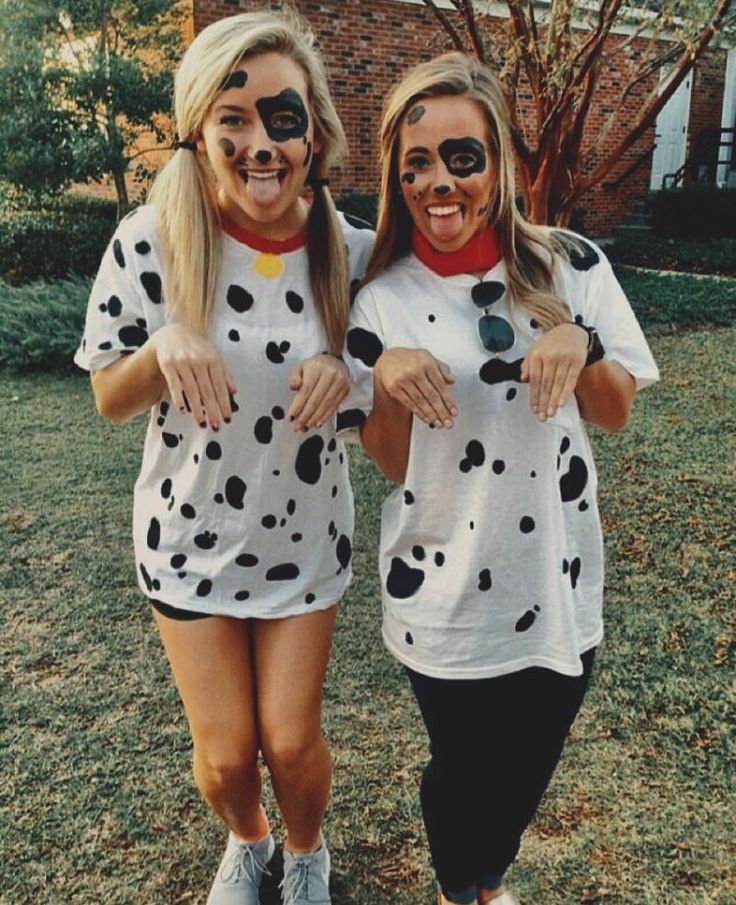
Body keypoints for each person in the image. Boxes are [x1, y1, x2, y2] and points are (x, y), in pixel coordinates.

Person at [342, 53, 659, 905]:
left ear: (499, 166)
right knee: (461, 771)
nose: (437, 182)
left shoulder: (570, 266)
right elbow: (388, 460)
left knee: (531, 758)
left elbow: (615, 411)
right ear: (395, 176)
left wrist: (577, 340)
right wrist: (391, 380)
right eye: (415, 163)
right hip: (441, 590)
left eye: (460, 157)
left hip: (556, 577)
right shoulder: (380, 301)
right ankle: (463, 889)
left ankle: (485, 873)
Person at [74, 12, 373, 905]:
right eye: (233, 119)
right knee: (224, 752)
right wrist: (165, 345)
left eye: (283, 119)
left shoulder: (350, 250)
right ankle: (248, 841)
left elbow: (392, 367)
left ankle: (308, 852)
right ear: (199, 128)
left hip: (305, 538)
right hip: (188, 535)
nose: (260, 144)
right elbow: (107, 394)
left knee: (288, 738)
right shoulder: (151, 236)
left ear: (313, 130)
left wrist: (345, 364)